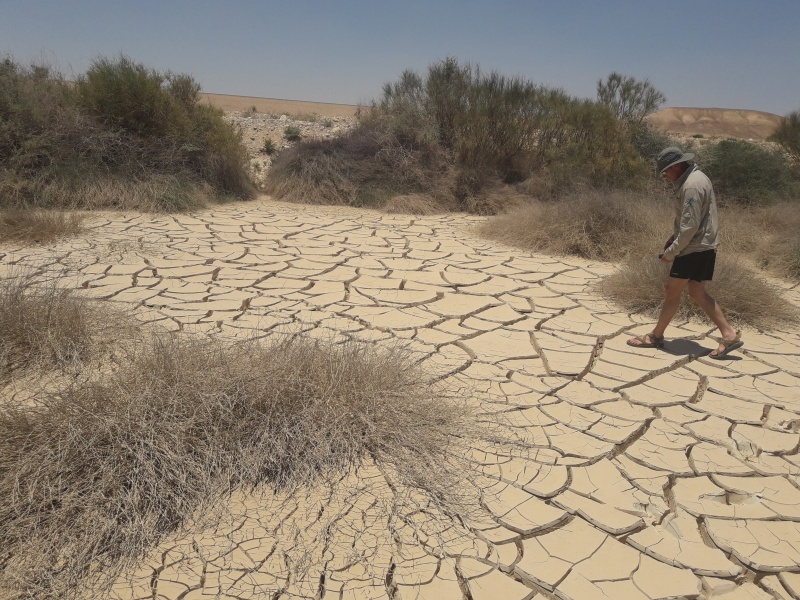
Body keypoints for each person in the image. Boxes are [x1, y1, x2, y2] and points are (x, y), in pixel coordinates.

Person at [627, 146, 743, 359]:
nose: (665, 176)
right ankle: (728, 334)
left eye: (666, 171)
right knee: (697, 291)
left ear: (677, 166)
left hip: (693, 249)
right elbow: (693, 222)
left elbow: (690, 228)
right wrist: (675, 237)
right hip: (704, 246)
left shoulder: (691, 185)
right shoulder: (698, 178)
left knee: (671, 291)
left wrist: (671, 252)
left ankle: (655, 336)